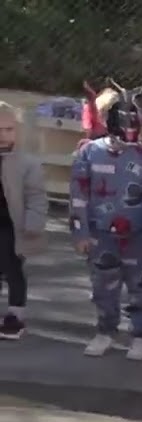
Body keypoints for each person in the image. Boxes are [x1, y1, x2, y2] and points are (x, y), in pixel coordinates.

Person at [68, 85, 142, 359]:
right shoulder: (89, 153)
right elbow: (78, 194)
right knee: (103, 286)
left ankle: (140, 334)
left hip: (141, 236)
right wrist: (80, 232)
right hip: (101, 234)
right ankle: (105, 331)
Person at [0, 102, 47, 341]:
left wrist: (34, 222)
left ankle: (15, 314)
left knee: (13, 269)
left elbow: (36, 195)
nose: (3, 135)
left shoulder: (27, 163)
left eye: (8, 129)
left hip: (12, 225)